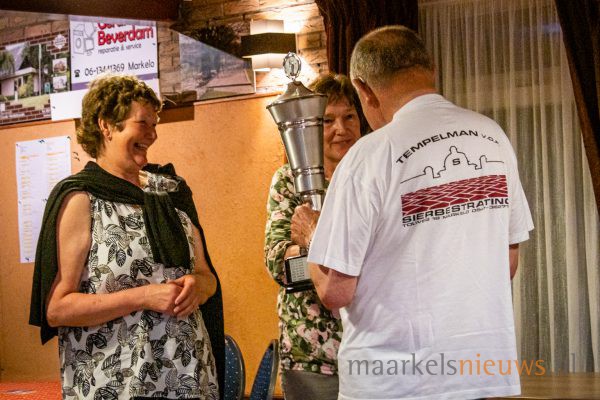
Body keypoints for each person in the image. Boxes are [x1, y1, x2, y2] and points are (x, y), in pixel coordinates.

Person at [300, 26, 534, 400]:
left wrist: (313, 236)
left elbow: (335, 291)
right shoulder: (492, 137)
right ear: (431, 70)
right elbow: (506, 263)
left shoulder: (368, 156)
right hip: (475, 371)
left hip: (392, 380)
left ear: (364, 89)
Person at [29, 75, 224, 400]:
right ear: (106, 125)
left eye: (155, 124)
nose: (153, 133)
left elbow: (207, 277)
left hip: (189, 380)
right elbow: (58, 308)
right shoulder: (81, 198)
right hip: (117, 384)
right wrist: (143, 296)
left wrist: (196, 287)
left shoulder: (170, 192)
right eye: (142, 122)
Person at [264, 73, 368, 400]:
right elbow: (279, 264)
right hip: (311, 356)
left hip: (372, 347)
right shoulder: (288, 180)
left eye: (349, 116)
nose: (341, 128)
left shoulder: (374, 175)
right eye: (327, 120)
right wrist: (342, 254)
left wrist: (313, 238)